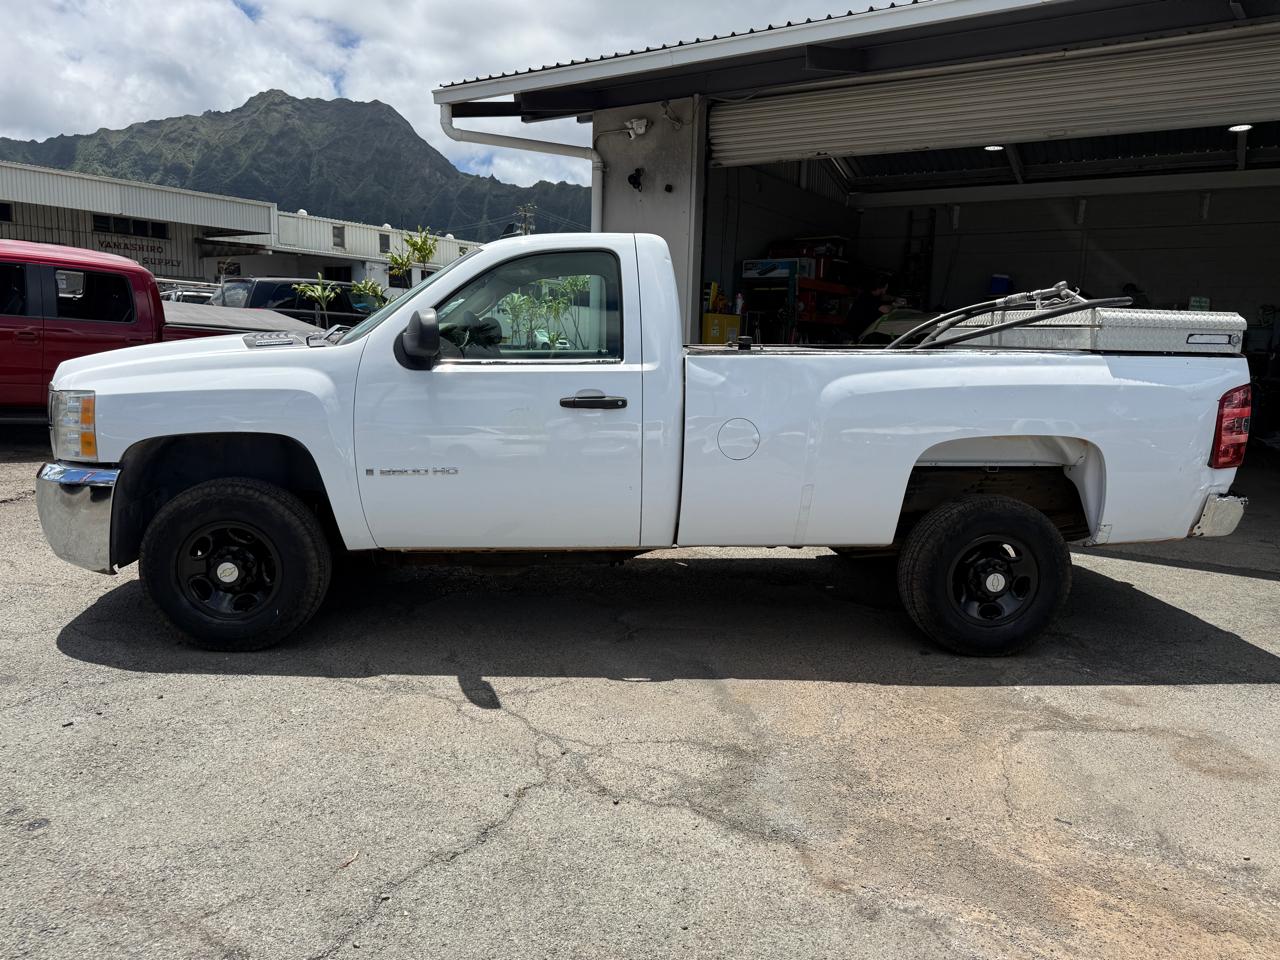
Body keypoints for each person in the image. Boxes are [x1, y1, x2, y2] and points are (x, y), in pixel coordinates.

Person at [846, 275, 892, 341]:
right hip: (856, 333)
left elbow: (885, 298)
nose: (886, 289)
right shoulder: (868, 297)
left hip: (859, 330)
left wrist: (894, 298)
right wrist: (895, 305)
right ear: (882, 287)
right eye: (886, 287)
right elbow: (885, 310)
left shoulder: (870, 294)